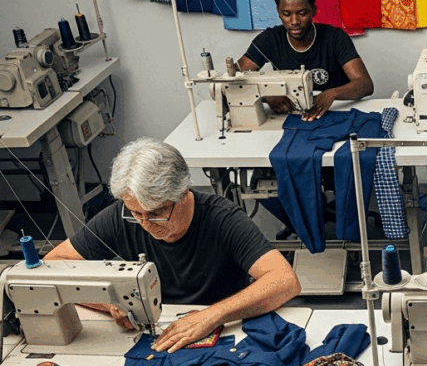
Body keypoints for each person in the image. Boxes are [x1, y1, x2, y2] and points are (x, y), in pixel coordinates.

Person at [45, 138, 301, 353]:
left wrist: (211, 316)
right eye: (136, 214)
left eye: (156, 213)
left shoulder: (223, 218)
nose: (146, 224)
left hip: (224, 332)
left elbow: (285, 281)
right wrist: (110, 304)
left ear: (184, 192)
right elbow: (53, 265)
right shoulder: (120, 216)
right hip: (154, 333)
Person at [237, 0, 374, 121]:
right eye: (286, 14)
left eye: (302, 13)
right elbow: (235, 80)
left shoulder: (334, 38)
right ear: (278, 12)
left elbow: (365, 84)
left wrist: (332, 94)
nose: (294, 21)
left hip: (335, 111)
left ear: (314, 10)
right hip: (290, 114)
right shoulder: (269, 40)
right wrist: (266, 94)